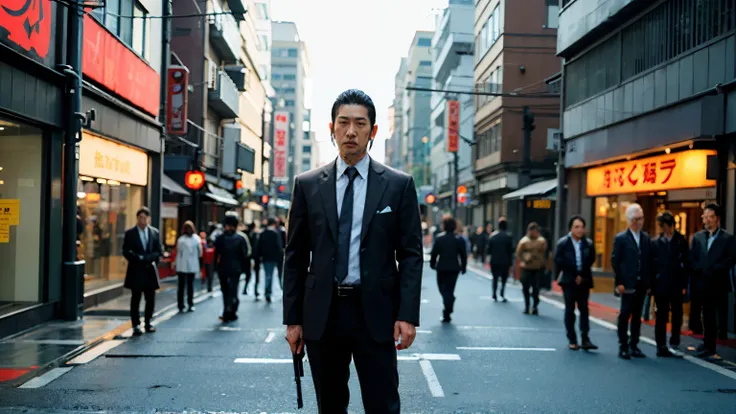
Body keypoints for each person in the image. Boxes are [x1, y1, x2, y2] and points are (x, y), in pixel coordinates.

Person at [283, 89, 423, 413]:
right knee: (330, 406)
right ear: (331, 128)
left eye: (360, 124)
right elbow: (295, 255)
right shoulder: (307, 184)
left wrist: (407, 315)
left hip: (375, 313)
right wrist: (293, 319)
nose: (350, 131)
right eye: (343, 122)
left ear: (372, 131)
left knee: (383, 405)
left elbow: (411, 254)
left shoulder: (398, 185)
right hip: (323, 314)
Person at [689, 203, 736, 358]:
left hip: (718, 282)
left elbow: (730, 259)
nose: (707, 220)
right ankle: (707, 344)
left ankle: (713, 344)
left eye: (710, 217)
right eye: (705, 217)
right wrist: (699, 270)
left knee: (717, 315)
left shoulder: (727, 239)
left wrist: (714, 269)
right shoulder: (698, 237)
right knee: (705, 314)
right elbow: (692, 258)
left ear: (717, 219)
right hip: (702, 282)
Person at [611, 203, 654, 359]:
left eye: (641, 218)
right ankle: (623, 345)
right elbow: (615, 261)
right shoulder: (621, 238)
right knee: (624, 314)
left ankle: (634, 344)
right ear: (629, 220)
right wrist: (619, 282)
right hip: (627, 283)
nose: (639, 222)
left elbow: (649, 261)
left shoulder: (646, 238)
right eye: (636, 219)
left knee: (637, 315)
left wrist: (649, 283)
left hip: (641, 282)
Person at [555, 215, 597, 351]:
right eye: (576, 227)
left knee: (584, 309)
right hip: (569, 281)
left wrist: (581, 275)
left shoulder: (588, 244)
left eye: (581, 227)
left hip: (584, 280)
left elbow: (590, 260)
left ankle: (585, 338)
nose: (579, 230)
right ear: (571, 229)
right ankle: (572, 339)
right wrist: (573, 275)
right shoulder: (563, 243)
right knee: (570, 310)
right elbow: (559, 261)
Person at [651, 211, 689, 357]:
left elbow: (686, 264)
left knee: (677, 314)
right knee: (661, 314)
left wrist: (685, 285)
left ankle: (675, 341)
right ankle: (660, 344)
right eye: (662, 226)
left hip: (677, 283)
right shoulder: (656, 242)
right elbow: (652, 264)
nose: (664, 229)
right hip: (661, 284)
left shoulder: (681, 241)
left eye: (665, 226)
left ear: (672, 226)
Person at [122, 207, 163, 336]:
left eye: (145, 218)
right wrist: (138, 258)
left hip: (150, 270)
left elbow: (158, 251)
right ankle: (135, 325)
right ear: (137, 219)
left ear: (149, 219)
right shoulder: (130, 233)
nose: (143, 220)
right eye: (140, 218)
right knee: (136, 299)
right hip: (136, 270)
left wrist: (148, 258)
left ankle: (148, 322)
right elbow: (126, 251)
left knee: (150, 299)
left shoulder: (154, 233)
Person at [430, 215, 467, 322]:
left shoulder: (440, 238)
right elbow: (463, 255)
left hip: (441, 267)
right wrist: (463, 267)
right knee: (449, 289)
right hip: (454, 268)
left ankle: (447, 309)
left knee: (442, 289)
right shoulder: (459, 239)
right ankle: (449, 303)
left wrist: (433, 264)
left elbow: (434, 254)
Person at [214, 214, 250, 322]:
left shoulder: (220, 238)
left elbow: (216, 255)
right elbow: (245, 255)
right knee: (233, 290)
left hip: (223, 268)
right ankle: (231, 310)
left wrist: (215, 268)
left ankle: (227, 310)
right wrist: (246, 270)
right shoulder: (241, 238)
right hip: (236, 269)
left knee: (225, 290)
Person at [516, 222, 547, 315]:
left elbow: (545, 253)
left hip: (538, 267)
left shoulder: (541, 241)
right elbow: (518, 253)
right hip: (526, 267)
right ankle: (527, 305)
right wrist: (523, 260)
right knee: (525, 286)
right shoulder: (524, 241)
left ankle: (535, 305)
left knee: (536, 287)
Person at [174, 220, 202, 312]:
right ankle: (181, 304)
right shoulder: (181, 240)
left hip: (192, 264)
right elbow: (178, 253)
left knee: (190, 286)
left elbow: (200, 253)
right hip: (182, 264)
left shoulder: (196, 239)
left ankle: (190, 303)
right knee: (182, 286)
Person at [255, 218, 284, 303]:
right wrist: (279, 257)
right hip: (272, 257)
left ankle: (267, 292)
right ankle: (268, 292)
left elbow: (258, 246)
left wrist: (258, 256)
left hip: (265, 257)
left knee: (268, 275)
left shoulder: (262, 233)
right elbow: (279, 246)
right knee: (270, 275)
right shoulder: (275, 234)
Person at [488, 219, 513, 302]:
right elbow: (510, 251)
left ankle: (494, 293)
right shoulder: (508, 236)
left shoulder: (493, 236)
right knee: (504, 278)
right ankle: (502, 292)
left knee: (495, 278)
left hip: (494, 260)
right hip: (505, 261)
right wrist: (511, 263)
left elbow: (488, 250)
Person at [243, 222, 261, 296]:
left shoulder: (245, 234)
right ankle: (255, 290)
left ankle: (245, 288)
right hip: (256, 256)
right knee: (256, 274)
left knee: (248, 274)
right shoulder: (256, 234)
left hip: (247, 256)